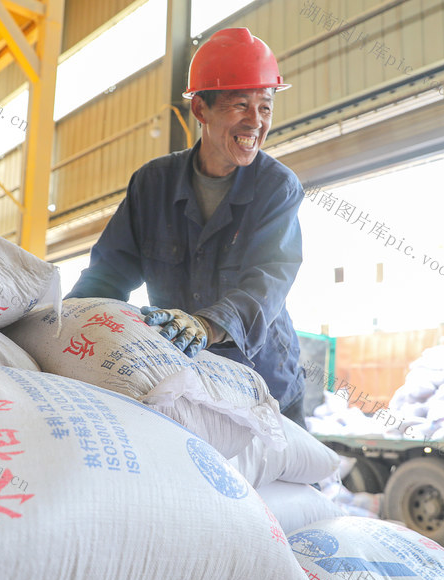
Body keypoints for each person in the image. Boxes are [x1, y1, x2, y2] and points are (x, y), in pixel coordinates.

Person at [66, 27, 307, 427]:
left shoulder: (277, 187)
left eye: (265, 107)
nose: (256, 122)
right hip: (185, 379)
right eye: (240, 105)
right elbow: (108, 275)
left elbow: (266, 282)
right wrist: (66, 320)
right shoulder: (152, 184)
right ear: (200, 110)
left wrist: (205, 325)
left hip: (265, 382)